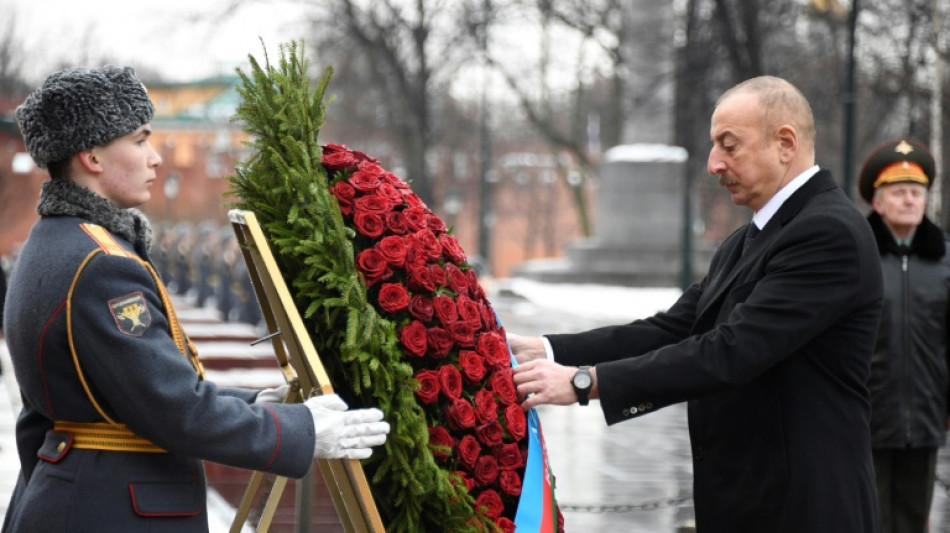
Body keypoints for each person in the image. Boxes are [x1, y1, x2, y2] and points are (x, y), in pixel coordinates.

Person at [1, 65, 390, 533]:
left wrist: (257, 403)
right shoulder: (101, 263)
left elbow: (131, 391)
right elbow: (175, 410)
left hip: (80, 497)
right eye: (140, 141)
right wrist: (301, 431)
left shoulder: (55, 243)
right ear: (93, 156)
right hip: (112, 511)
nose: (155, 159)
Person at [510, 76, 884, 533]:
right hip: (750, 502)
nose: (713, 163)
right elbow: (673, 329)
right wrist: (547, 350)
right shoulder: (748, 240)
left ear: (785, 143)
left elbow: (732, 351)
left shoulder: (827, 233)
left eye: (730, 145)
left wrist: (586, 382)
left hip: (804, 507)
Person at [858, 138, 950, 533]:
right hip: (866, 416)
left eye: (916, 192)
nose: (910, 200)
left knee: (913, 521)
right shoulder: (857, 256)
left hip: (926, 417)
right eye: (899, 193)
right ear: (878, 203)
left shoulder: (945, 262)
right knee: (868, 519)